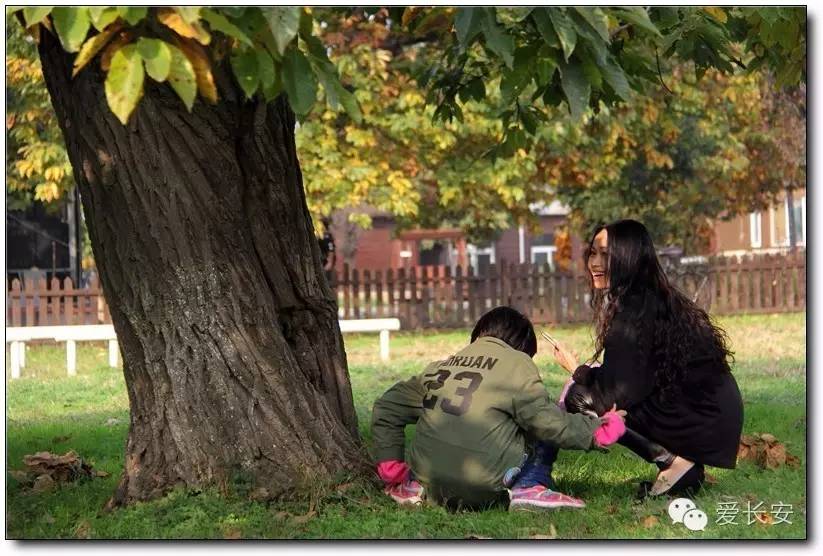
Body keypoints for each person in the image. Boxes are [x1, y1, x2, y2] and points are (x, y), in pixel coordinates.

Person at [550, 219, 743, 498]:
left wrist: (575, 371)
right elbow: (629, 376)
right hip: (710, 415)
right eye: (593, 252)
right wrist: (585, 372)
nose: (595, 262)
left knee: (579, 397)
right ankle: (681, 465)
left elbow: (612, 396)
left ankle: (674, 463)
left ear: (629, 257)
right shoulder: (652, 298)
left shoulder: (635, 312)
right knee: (590, 389)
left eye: (606, 254)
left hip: (703, 419)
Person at [370, 306, 627, 511]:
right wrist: (600, 429)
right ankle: (529, 486)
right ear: (523, 348)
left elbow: (387, 407)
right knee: (544, 412)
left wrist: (392, 466)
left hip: (429, 484)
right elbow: (550, 424)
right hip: (485, 486)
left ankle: (411, 487)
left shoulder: (441, 366)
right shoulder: (517, 364)